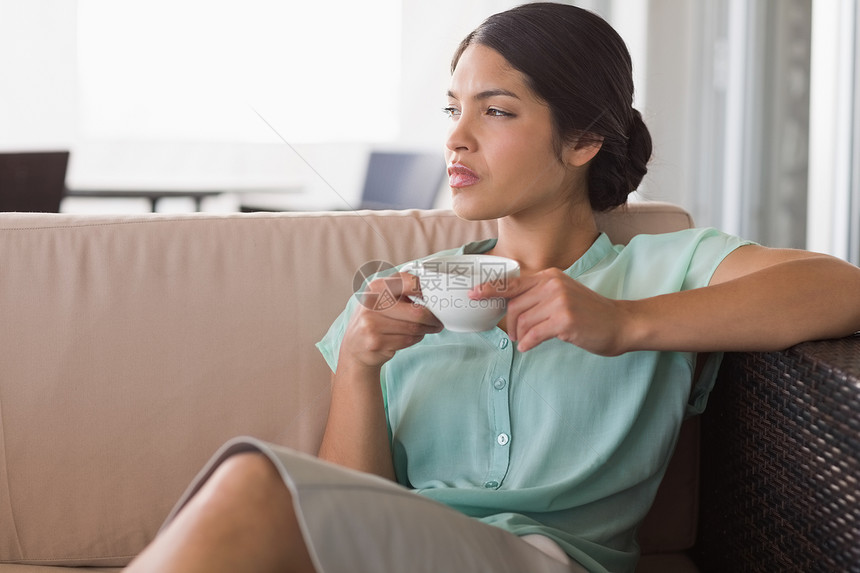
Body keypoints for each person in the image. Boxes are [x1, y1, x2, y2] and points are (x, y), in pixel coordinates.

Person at [124, 3, 860, 572]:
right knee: (260, 493)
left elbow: (840, 288)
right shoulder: (395, 294)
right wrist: (358, 363)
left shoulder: (664, 271)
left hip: (548, 559)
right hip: (403, 552)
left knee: (253, 479)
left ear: (582, 140)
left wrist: (626, 323)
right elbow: (351, 515)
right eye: (454, 108)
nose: (456, 137)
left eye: (496, 110)